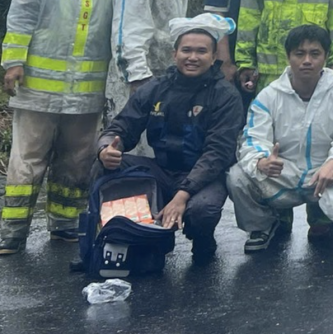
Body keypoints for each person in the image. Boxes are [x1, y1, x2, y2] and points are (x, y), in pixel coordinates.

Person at [0, 0, 124, 257]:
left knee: (78, 159)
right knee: (27, 159)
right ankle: (12, 233)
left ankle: (65, 226)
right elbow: (21, 14)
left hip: (88, 92)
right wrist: (14, 62)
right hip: (36, 87)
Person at [95, 15, 244, 261]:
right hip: (161, 171)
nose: (193, 57)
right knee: (103, 166)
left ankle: (202, 239)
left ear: (214, 56)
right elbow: (123, 126)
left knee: (202, 211)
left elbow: (217, 154)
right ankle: (112, 238)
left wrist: (182, 196)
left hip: (204, 176)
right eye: (186, 50)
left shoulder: (226, 96)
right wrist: (106, 147)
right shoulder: (156, 88)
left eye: (201, 51)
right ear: (174, 54)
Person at [228, 25, 333, 251]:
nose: (307, 61)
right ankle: (263, 225)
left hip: (327, 173)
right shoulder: (268, 96)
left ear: (325, 57)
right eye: (299, 54)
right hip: (285, 174)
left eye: (315, 54)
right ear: (288, 57)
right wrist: (261, 161)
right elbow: (253, 138)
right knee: (237, 177)